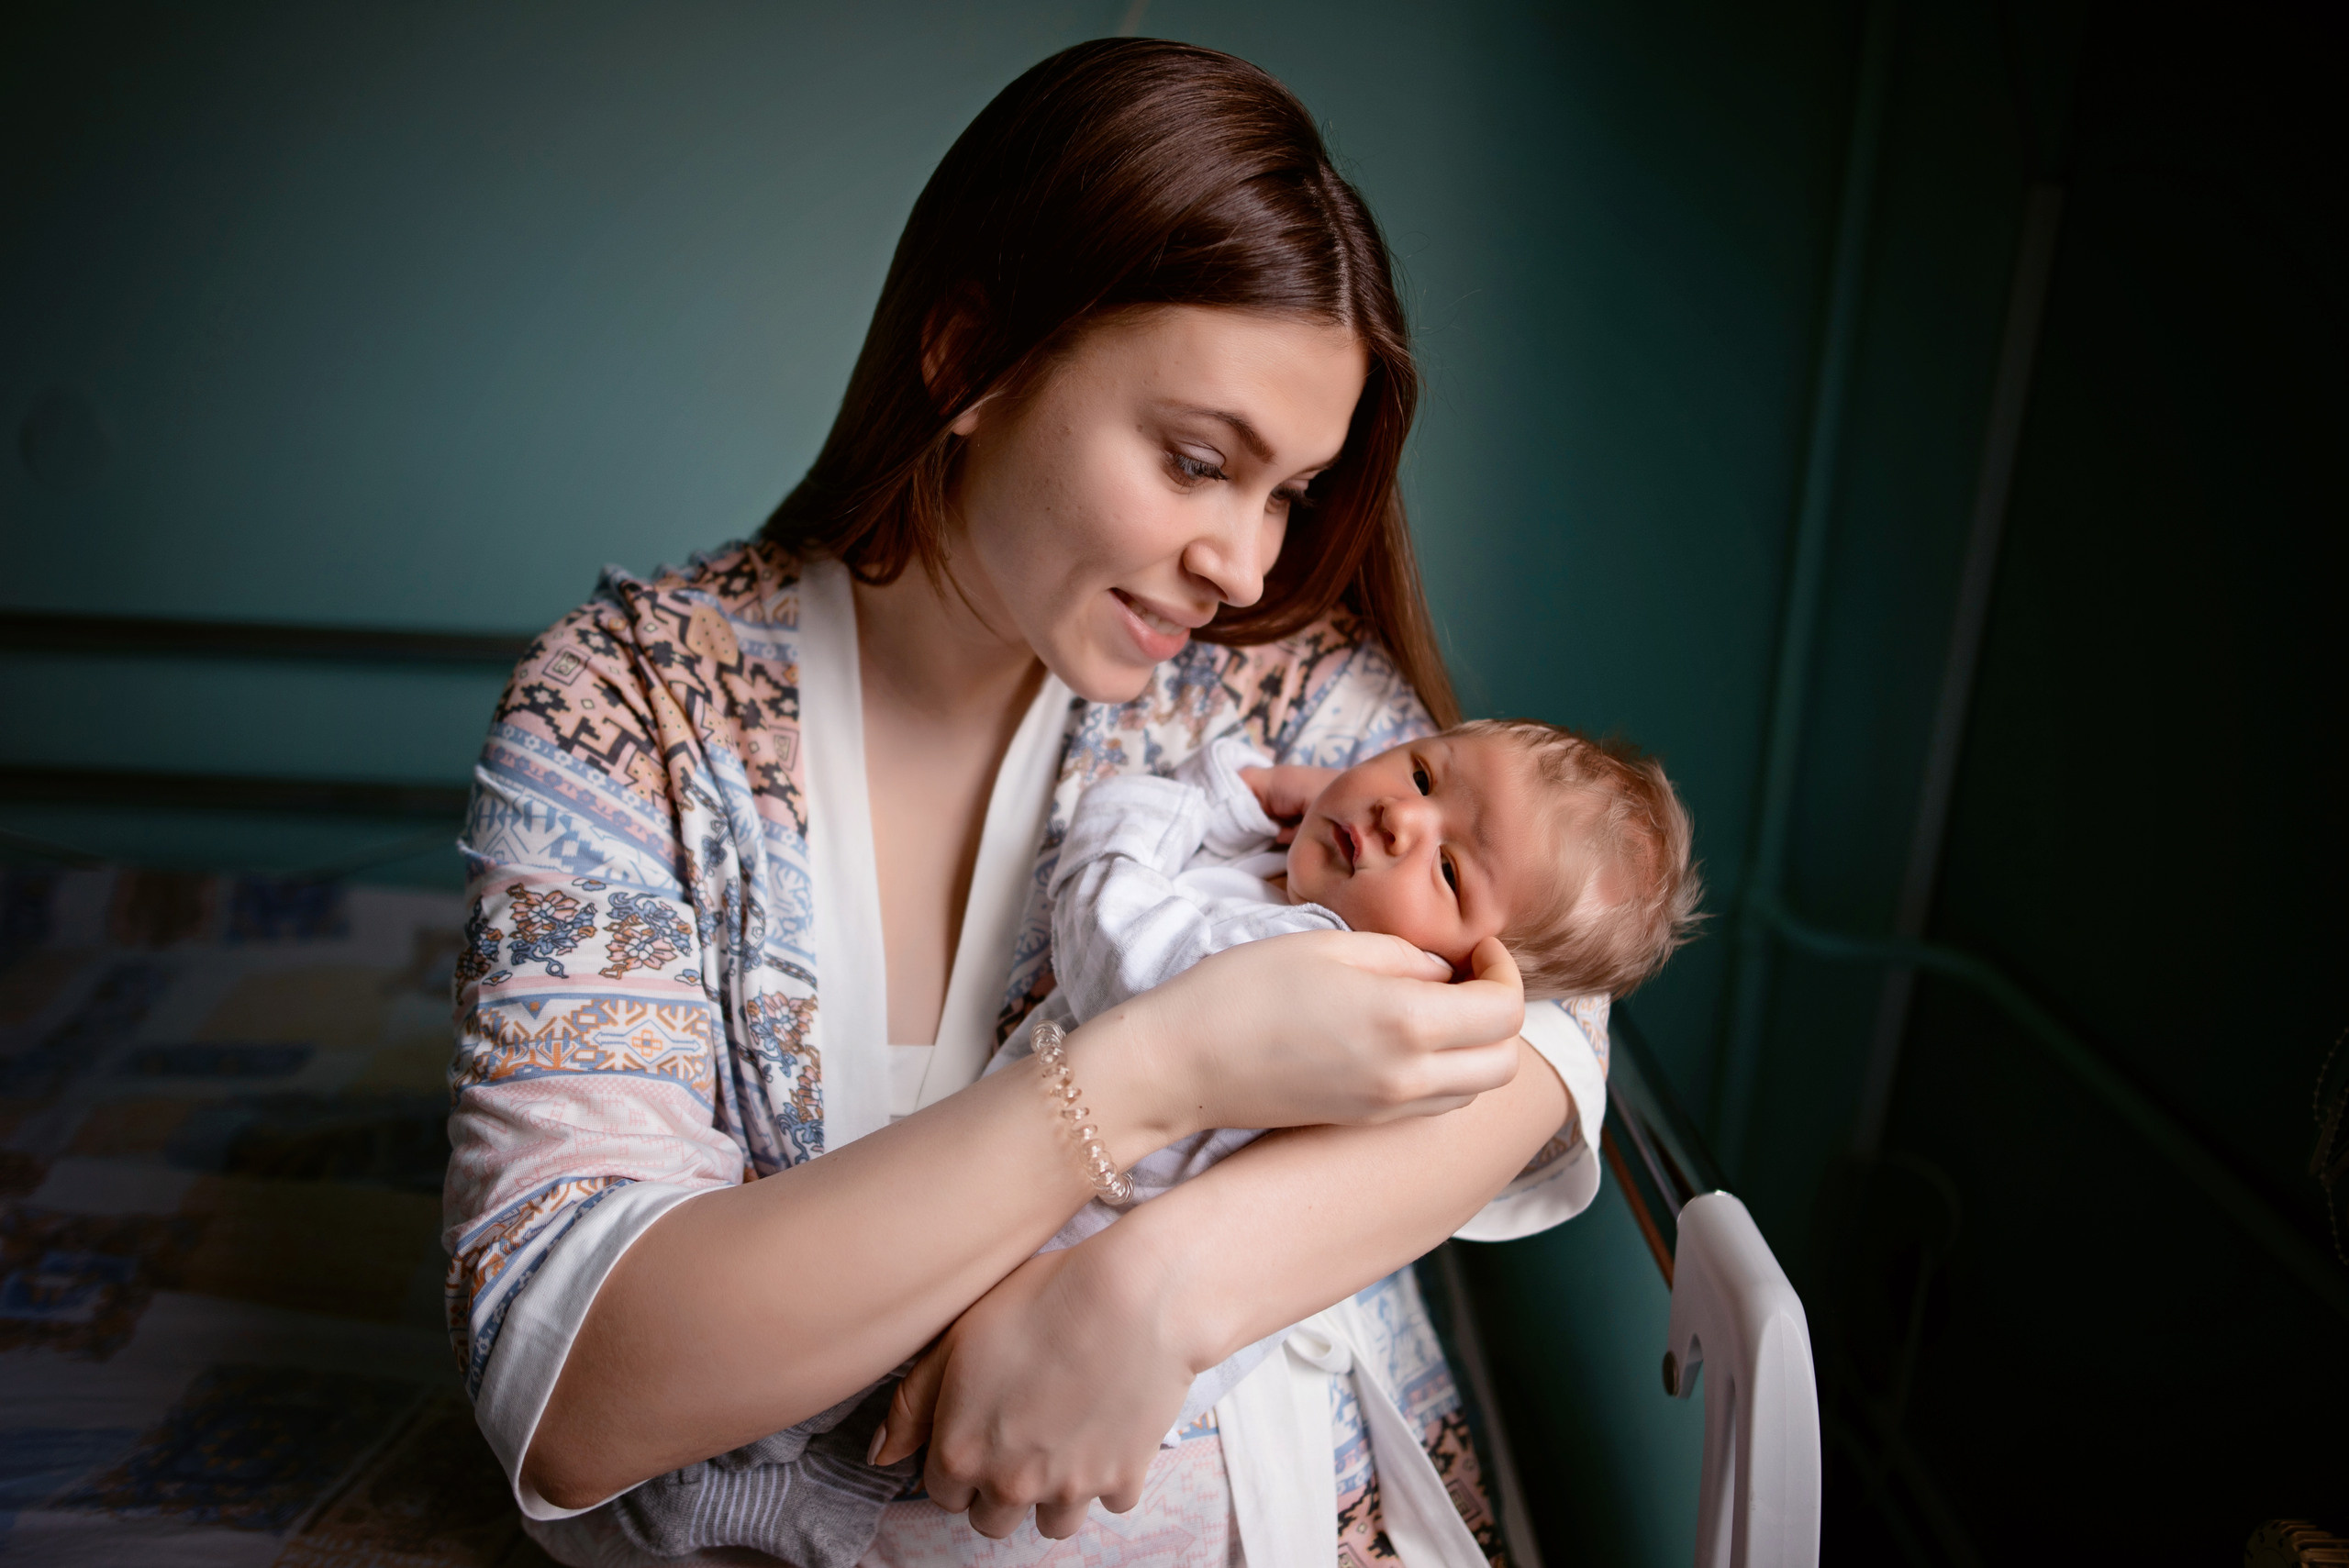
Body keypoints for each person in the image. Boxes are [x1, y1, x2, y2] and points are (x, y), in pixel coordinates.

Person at [442, 37, 1620, 1566]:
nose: (1246, 566)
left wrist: (1162, 1284)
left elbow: (1552, 1025)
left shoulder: (1284, 697)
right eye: (1195, 461)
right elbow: (576, 1380)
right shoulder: (630, 712)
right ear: (969, 360)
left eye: (1288, 492)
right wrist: (1158, 1072)